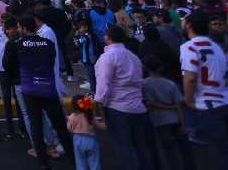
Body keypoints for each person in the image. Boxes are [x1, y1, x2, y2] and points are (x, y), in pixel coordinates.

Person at [5, 15, 73, 169]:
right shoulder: (48, 43)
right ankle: (73, 159)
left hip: (30, 89)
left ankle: (43, 163)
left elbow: (9, 66)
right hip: (48, 88)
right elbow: (51, 60)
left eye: (20, 27)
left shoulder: (17, 45)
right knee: (60, 125)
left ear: (24, 28)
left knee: (35, 127)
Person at [94, 25, 158, 170]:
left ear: (107, 37)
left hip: (118, 108)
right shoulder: (133, 57)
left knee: (124, 147)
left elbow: (103, 85)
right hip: (138, 107)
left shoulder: (107, 57)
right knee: (141, 147)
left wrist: (97, 105)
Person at [180, 10, 228, 160]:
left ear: (189, 25)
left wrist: (188, 100)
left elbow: (190, 78)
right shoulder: (216, 47)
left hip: (207, 105)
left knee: (218, 154)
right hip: (225, 99)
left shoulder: (189, 46)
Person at [142, 55, 196, 170]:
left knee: (169, 151)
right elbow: (179, 105)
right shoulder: (170, 84)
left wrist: (168, 107)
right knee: (185, 150)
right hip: (175, 119)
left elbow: (150, 103)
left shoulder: (144, 84)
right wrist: (183, 122)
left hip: (160, 121)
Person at [0, 14, 21, 139]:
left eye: (5, 22)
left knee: (19, 100)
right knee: (7, 100)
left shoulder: (16, 33)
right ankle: (10, 128)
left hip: (14, 70)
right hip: (2, 70)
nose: (3, 25)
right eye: (1, 22)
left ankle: (22, 127)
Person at [67, 95, 105, 170]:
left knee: (80, 162)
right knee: (94, 162)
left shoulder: (72, 117)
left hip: (77, 140)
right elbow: (99, 126)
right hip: (91, 140)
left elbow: (69, 128)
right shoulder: (89, 115)